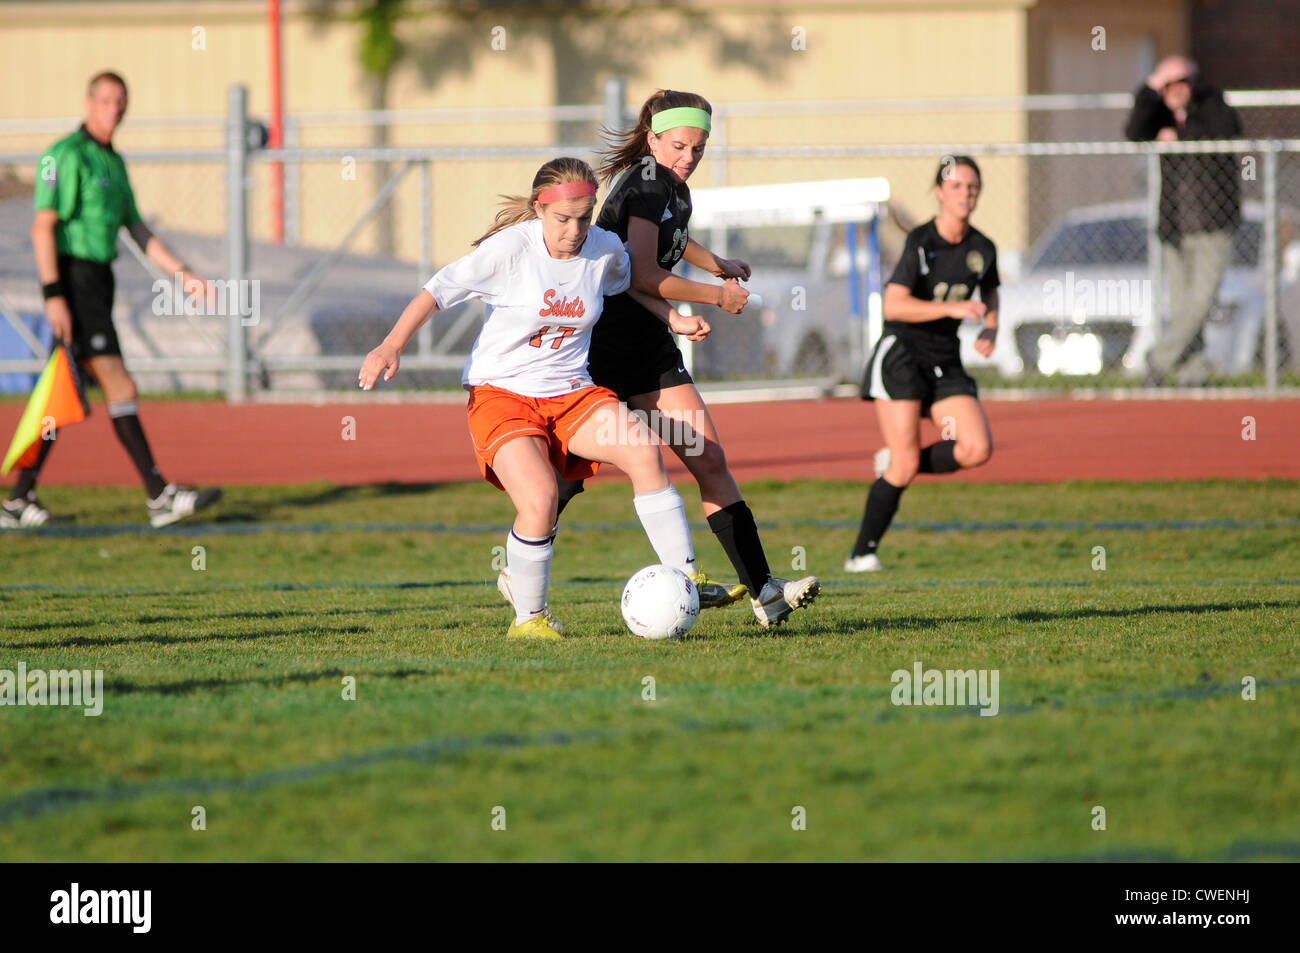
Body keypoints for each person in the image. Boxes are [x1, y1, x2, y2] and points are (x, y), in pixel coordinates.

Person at [359, 157, 709, 640]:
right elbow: (436, 292)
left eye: (585, 217)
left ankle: (686, 579)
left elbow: (630, 286)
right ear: (539, 210)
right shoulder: (508, 251)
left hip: (572, 393)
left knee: (643, 450)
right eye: (563, 219)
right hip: (503, 396)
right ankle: (530, 619)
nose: (575, 229)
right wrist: (390, 345)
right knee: (541, 497)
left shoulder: (604, 248)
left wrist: (675, 319)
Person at [548, 88, 820, 628]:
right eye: (678, 146)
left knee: (708, 460)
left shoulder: (671, 187)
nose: (688, 157)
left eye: (698, 148)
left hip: (649, 350)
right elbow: (644, 273)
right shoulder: (645, 184)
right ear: (652, 139)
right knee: (568, 476)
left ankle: (764, 591)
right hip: (604, 349)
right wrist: (717, 296)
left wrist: (715, 262)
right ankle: (522, 561)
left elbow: (672, 240)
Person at [4, 71, 220, 529]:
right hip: (74, 281)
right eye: (106, 99)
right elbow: (43, 226)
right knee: (119, 387)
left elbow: (137, 228)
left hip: (99, 282)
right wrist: (54, 295)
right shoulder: (65, 156)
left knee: (64, 390)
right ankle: (159, 496)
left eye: (121, 100)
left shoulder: (113, 162)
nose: (114, 108)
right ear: (89, 102)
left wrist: (182, 275)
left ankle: (18, 500)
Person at [847, 155, 998, 572]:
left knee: (976, 448)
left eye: (971, 187)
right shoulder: (921, 241)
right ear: (939, 192)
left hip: (945, 361)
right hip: (903, 356)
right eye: (956, 186)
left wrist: (992, 329)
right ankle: (862, 554)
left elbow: (991, 293)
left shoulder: (983, 248)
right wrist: (950, 311)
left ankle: (897, 459)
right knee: (906, 464)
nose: (964, 194)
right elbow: (895, 305)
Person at [1125, 55, 1243, 387]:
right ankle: (1194, 371)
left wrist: (1183, 134)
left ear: (1194, 82)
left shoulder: (1211, 106)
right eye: (1167, 85)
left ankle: (1158, 361)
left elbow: (1225, 130)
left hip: (1212, 222)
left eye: (1181, 83)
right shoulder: (1161, 114)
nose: (1174, 90)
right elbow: (1133, 131)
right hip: (1175, 225)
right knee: (1181, 306)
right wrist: (1150, 88)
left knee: (1202, 301)